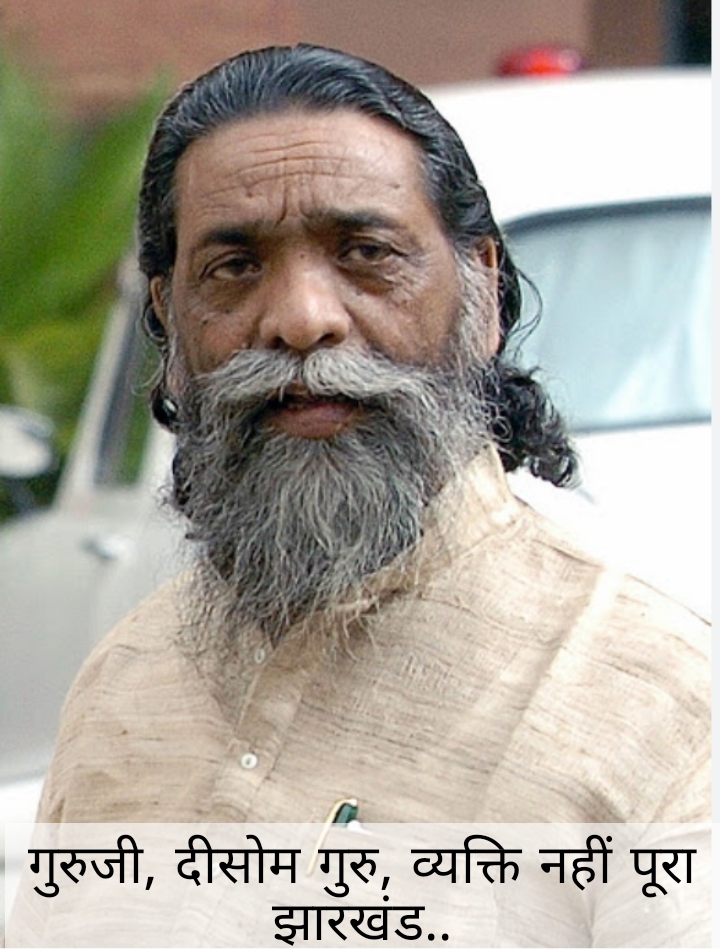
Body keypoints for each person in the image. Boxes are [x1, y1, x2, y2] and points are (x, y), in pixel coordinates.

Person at [36, 44, 708, 827]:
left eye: (366, 254)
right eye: (235, 266)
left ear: (483, 292)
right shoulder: (122, 690)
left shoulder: (656, 701)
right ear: (170, 321)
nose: (302, 320)